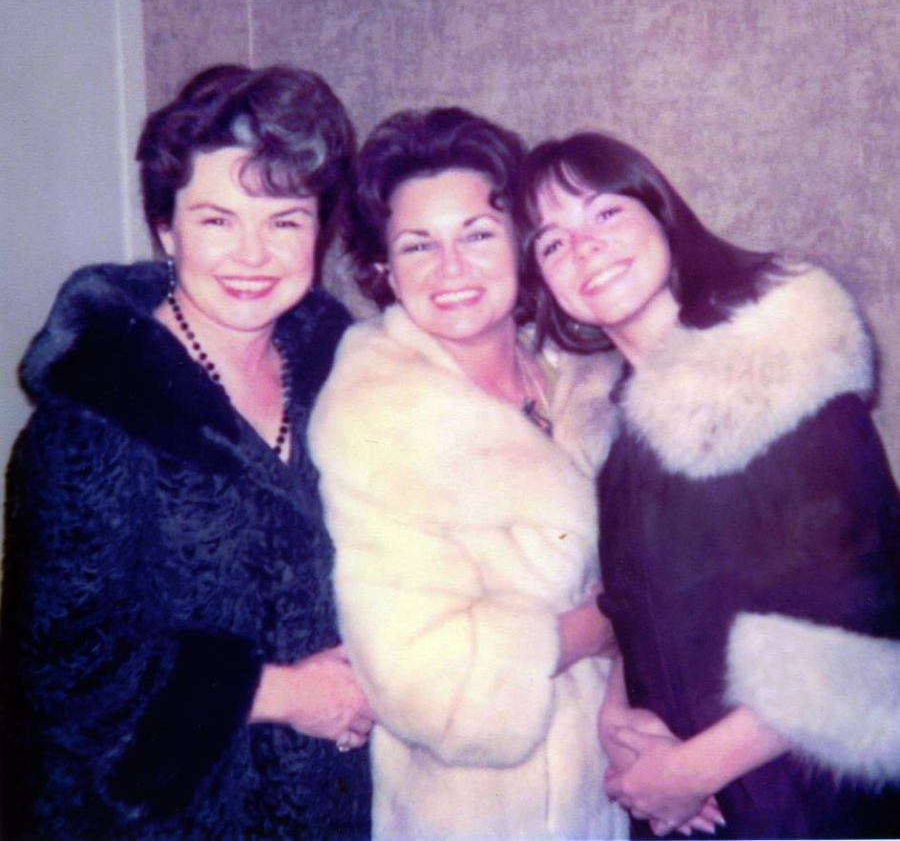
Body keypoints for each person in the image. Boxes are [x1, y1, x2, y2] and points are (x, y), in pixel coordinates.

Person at [1, 64, 373, 840]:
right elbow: (61, 669)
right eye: (216, 219)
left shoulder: (343, 374)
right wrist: (280, 695)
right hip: (156, 816)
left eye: (284, 221)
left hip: (322, 804)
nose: (252, 253)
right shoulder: (97, 412)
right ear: (167, 229)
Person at [515, 131, 900, 839]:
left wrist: (690, 773)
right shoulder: (621, 428)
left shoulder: (782, 371)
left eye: (605, 214)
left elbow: (869, 625)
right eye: (552, 243)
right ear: (553, 294)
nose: (586, 247)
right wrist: (621, 723)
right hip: (693, 810)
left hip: (812, 805)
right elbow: (633, 607)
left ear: (662, 215)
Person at [308, 107, 631, 840]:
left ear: (520, 244)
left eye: (478, 235)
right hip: (468, 813)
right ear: (384, 271)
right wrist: (613, 617)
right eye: (418, 246)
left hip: (604, 793)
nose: (451, 270)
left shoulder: (587, 382)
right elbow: (428, 681)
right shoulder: (375, 418)